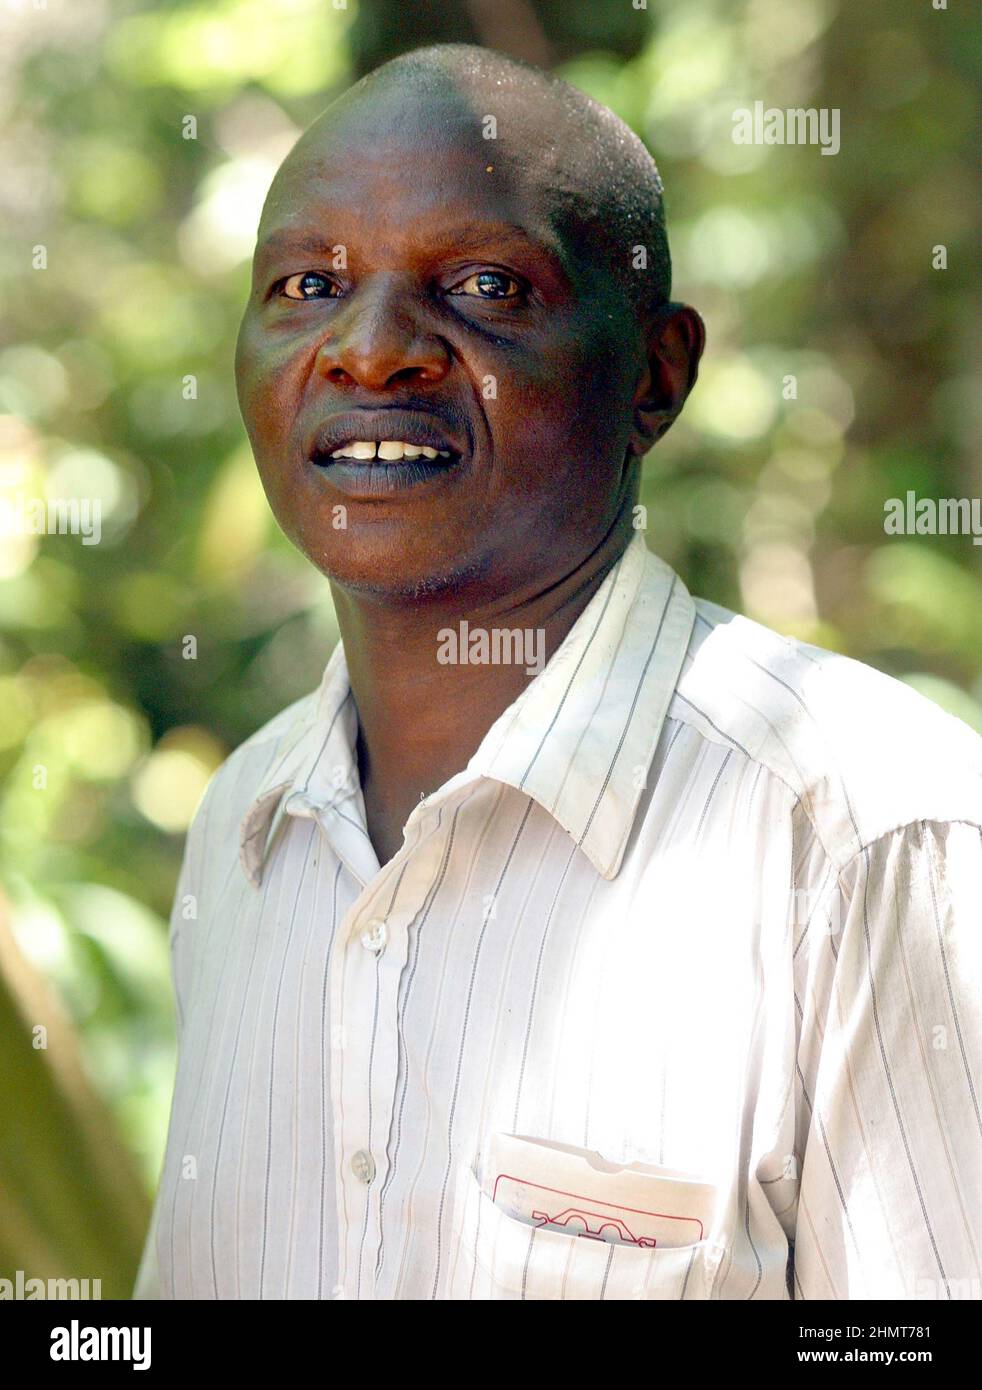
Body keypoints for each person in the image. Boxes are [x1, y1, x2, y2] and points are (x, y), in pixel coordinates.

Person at [133, 43, 982, 1301]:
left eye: (481, 285)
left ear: (655, 372)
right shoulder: (249, 833)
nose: (371, 354)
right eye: (308, 283)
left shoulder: (867, 834)